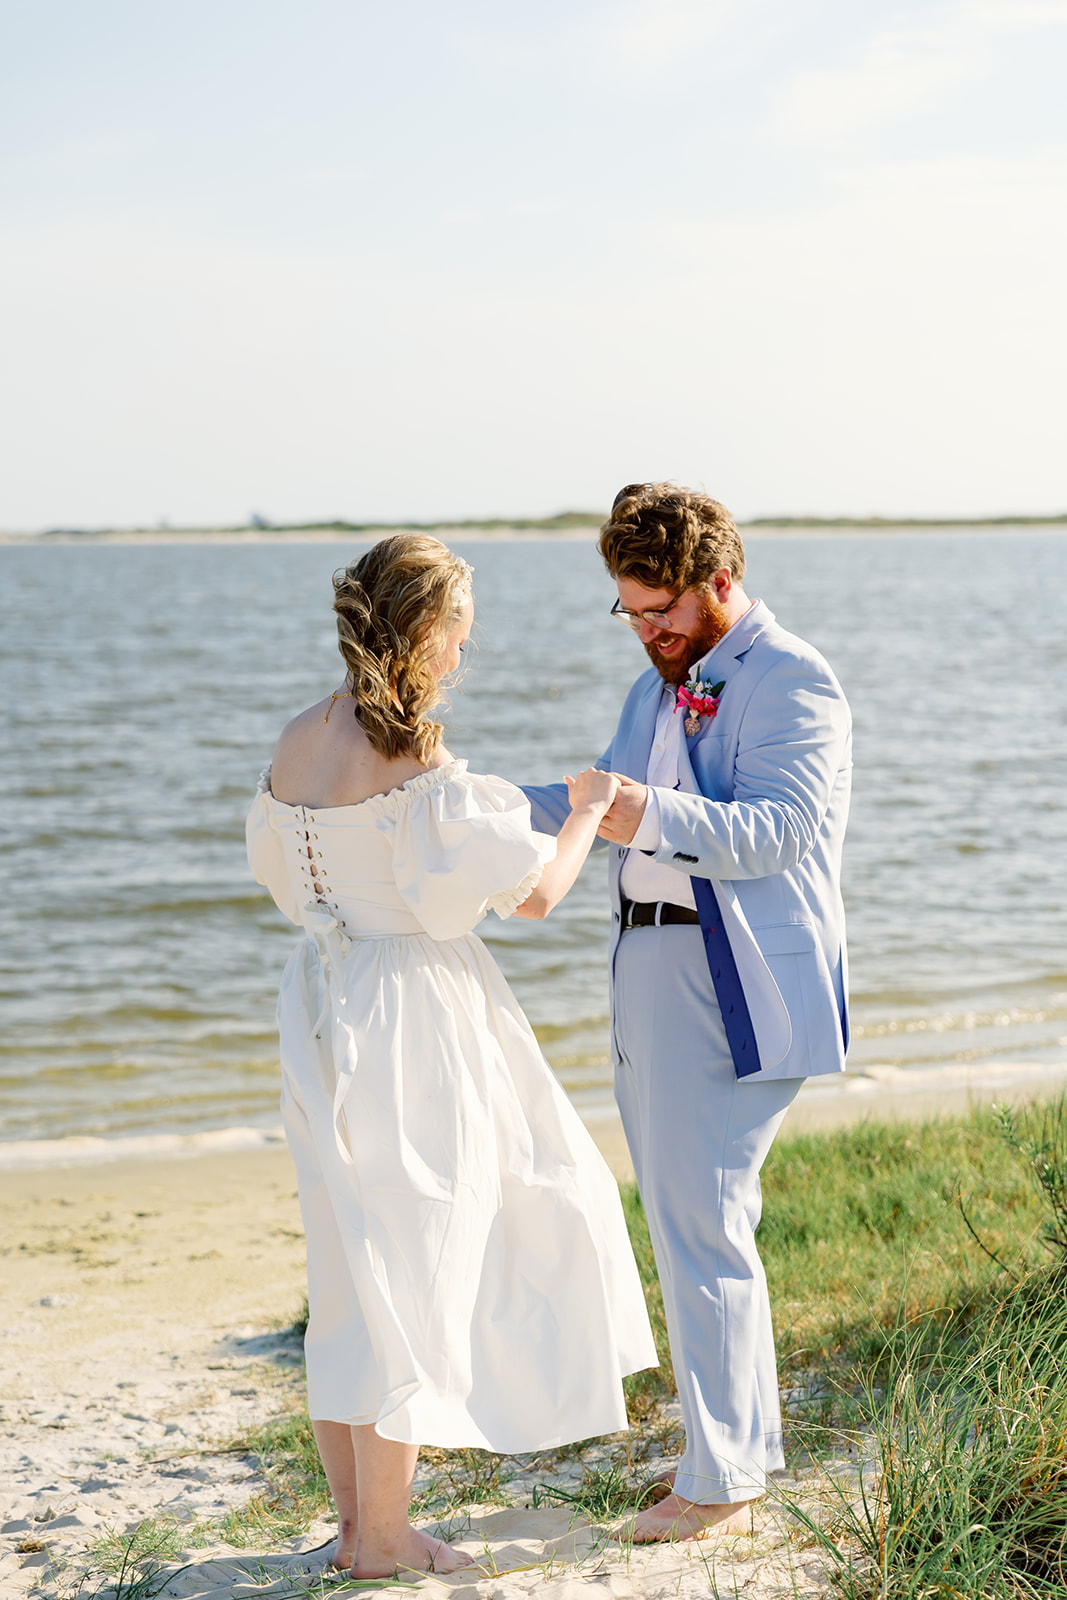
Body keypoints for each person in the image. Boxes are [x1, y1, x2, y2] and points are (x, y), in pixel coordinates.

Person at [246, 534, 657, 1580]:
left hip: (321, 1002)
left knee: (347, 1263)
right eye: (460, 641)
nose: (462, 661)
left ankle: (355, 1524)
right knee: (417, 1262)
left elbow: (292, 883)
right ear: (424, 635)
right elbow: (531, 894)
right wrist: (580, 816)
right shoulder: (420, 761)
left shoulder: (298, 739)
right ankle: (380, 1536)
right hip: (411, 1015)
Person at [523, 483, 851, 1542]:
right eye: (629, 611)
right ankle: (730, 1452)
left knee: (704, 1221)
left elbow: (777, 831)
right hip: (648, 972)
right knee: (688, 1220)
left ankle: (720, 1480)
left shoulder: (792, 677)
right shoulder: (656, 680)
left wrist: (638, 810)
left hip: (731, 980)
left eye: (660, 611)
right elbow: (594, 797)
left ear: (720, 581)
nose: (647, 633)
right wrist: (462, 801)